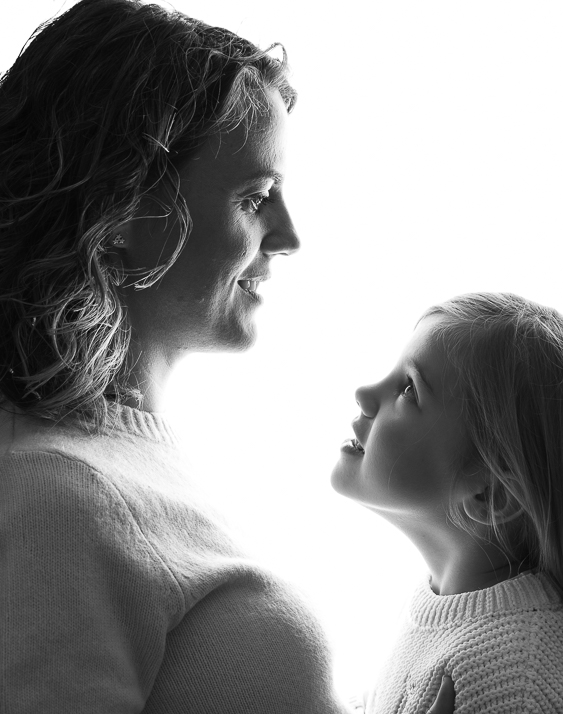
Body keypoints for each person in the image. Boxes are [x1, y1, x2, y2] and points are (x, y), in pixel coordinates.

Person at [0, 2, 458, 713]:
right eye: (256, 198)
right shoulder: (53, 497)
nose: (288, 237)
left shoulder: (123, 463)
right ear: (122, 215)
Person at [331, 292, 563, 714]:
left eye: (409, 389)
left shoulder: (513, 680)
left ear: (492, 495)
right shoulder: (446, 610)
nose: (364, 392)